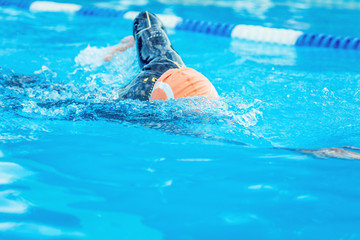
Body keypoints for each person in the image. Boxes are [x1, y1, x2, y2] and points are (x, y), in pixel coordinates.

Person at [104, 11, 219, 101]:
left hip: (173, 69)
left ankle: (136, 41)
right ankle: (134, 41)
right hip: (158, 68)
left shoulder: (211, 103)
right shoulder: (140, 94)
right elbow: (146, 17)